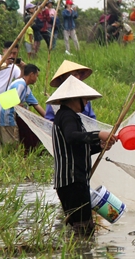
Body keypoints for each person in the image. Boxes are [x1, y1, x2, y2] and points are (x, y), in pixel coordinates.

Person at [49, 76, 116, 237]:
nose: (86, 102)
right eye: (84, 98)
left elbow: (77, 146)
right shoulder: (67, 116)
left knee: (81, 228)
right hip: (72, 182)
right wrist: (99, 134)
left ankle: (79, 252)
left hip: (74, 182)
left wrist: (98, 146)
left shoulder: (70, 117)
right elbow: (72, 137)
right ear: (73, 98)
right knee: (83, 229)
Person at [0, 64, 45, 148]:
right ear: (31, 75)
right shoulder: (20, 84)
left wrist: (47, 118)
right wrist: (22, 106)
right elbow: (14, 102)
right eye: (36, 76)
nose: (37, 79)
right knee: (11, 145)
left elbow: (36, 105)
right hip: (6, 116)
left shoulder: (26, 88)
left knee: (1, 146)